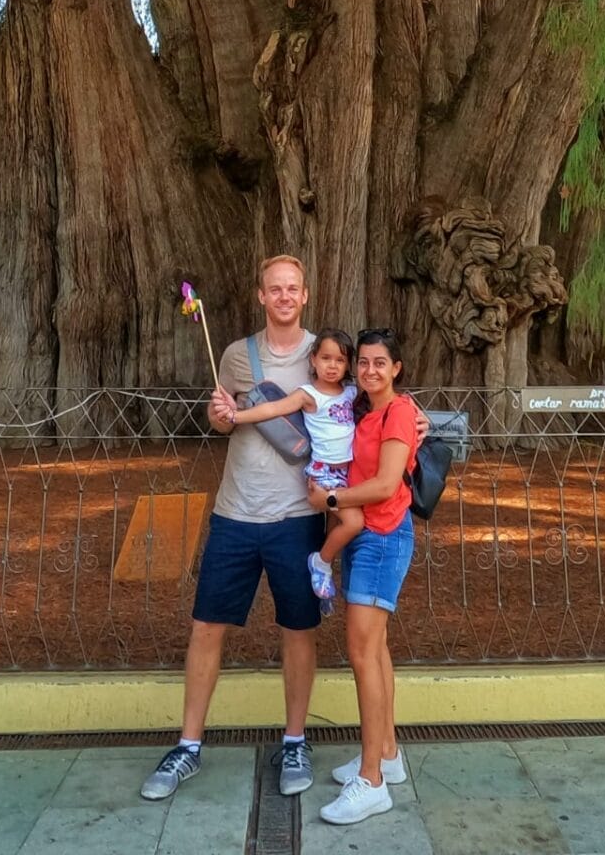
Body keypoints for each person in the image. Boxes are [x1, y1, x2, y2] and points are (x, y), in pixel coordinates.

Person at [141, 255, 324, 802]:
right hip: (235, 512)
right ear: (261, 296)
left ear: (305, 295)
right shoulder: (236, 355)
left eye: (292, 288)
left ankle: (295, 740)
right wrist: (219, 415)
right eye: (275, 288)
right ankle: (188, 744)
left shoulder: (323, 354)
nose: (284, 296)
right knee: (206, 626)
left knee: (298, 629)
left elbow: (356, 406)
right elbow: (221, 419)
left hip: (298, 516)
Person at [316, 327, 419, 827]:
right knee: (375, 651)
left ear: (396, 368)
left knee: (361, 654)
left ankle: (372, 782)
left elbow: (383, 485)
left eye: (381, 363)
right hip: (365, 537)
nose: (370, 370)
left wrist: (331, 500)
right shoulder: (367, 410)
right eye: (364, 363)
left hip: (382, 537)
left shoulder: (398, 412)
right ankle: (387, 755)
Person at [228, 328, 363, 607]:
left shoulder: (352, 393)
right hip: (324, 473)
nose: (332, 365)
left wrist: (415, 415)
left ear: (348, 364)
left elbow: (385, 400)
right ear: (313, 359)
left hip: (347, 473)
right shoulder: (308, 394)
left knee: (336, 525)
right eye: (326, 358)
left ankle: (323, 575)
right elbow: (273, 409)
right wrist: (236, 416)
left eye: (340, 360)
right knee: (354, 522)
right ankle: (320, 562)